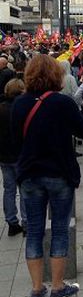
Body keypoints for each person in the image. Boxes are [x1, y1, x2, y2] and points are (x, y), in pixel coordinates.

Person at [11, 54, 83, 297]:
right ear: (56, 75)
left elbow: (15, 140)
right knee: (59, 229)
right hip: (59, 173)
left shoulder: (20, 103)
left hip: (30, 175)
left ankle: (37, 288)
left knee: (33, 231)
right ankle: (57, 286)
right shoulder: (62, 103)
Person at [0, 78, 27, 235]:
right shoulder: (21, 108)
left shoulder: (1, 108)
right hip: (19, 154)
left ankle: (11, 222)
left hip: (4, 156)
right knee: (24, 189)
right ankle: (27, 222)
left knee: (8, 189)